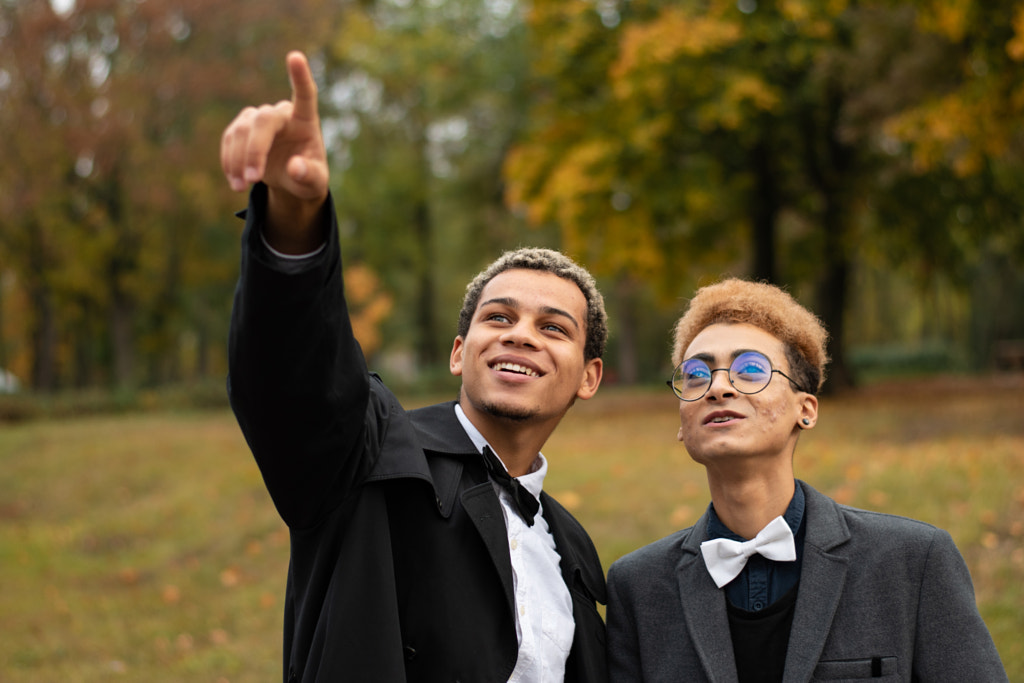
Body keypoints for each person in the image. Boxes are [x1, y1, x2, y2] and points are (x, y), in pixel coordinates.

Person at [221, 52, 609, 682]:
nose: (521, 337)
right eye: (499, 317)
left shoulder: (574, 549)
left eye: (553, 328)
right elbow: (294, 372)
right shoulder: (370, 458)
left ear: (588, 376)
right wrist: (294, 223)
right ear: (461, 352)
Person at [605, 278, 1008, 682]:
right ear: (681, 421)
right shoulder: (637, 587)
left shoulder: (913, 562)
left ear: (807, 410)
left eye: (749, 369)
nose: (718, 387)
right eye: (695, 374)